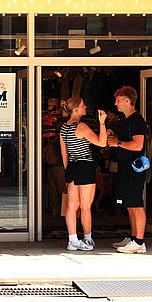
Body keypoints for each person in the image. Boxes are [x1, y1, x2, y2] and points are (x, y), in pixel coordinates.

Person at [59, 96, 107, 251]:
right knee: (85, 206)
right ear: (75, 110)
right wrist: (102, 123)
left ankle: (72, 240)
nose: (85, 107)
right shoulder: (81, 127)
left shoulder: (64, 128)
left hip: (72, 167)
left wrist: (68, 170)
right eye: (82, 105)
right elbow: (102, 142)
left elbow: (64, 153)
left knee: (72, 206)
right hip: (85, 165)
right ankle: (87, 238)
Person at [108, 86, 148, 254]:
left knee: (136, 204)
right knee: (130, 204)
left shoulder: (137, 120)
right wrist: (115, 138)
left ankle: (139, 241)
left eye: (118, 100)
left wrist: (117, 143)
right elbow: (126, 142)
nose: (115, 103)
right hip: (126, 166)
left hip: (135, 168)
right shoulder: (126, 120)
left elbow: (138, 145)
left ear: (127, 100)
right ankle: (133, 237)